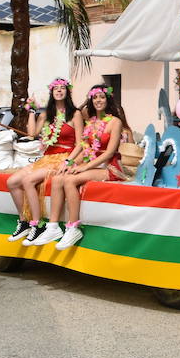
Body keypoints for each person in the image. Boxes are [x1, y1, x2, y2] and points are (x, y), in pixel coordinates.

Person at [37, 85, 132, 250]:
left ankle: (73, 227)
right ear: (91, 100)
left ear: (107, 99)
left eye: (102, 97)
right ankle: (52, 227)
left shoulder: (115, 122)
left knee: (70, 180)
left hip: (108, 166)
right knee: (59, 178)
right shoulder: (91, 123)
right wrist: (69, 163)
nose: (98, 101)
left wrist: (83, 167)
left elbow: (109, 153)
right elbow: (85, 148)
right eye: (95, 98)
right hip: (91, 163)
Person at [6, 78, 82, 245]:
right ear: (51, 92)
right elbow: (32, 133)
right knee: (12, 181)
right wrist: (32, 111)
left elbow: (80, 143)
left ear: (67, 92)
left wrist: (69, 161)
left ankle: (38, 224)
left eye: (62, 88)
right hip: (46, 157)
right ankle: (24, 222)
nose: (59, 91)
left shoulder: (75, 114)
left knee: (28, 180)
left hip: (63, 157)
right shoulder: (47, 114)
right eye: (56, 89)